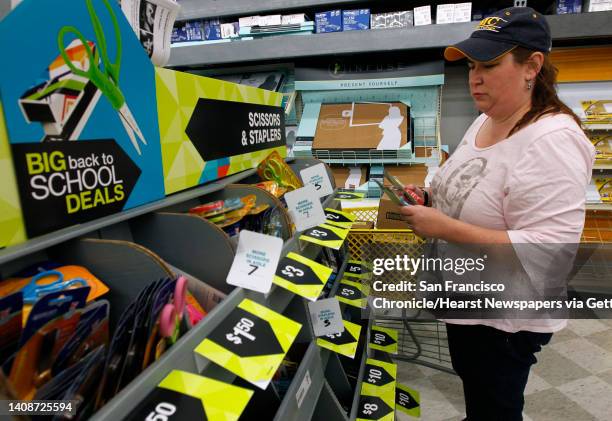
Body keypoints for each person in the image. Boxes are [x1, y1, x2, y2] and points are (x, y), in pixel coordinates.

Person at [399, 7, 595, 421]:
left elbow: (549, 251)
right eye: (471, 65)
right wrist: (432, 198)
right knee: (480, 396)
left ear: (533, 66)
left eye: (489, 64)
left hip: (506, 319)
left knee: (496, 408)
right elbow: (472, 186)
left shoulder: (552, 140)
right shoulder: (486, 119)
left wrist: (446, 228)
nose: (475, 76)